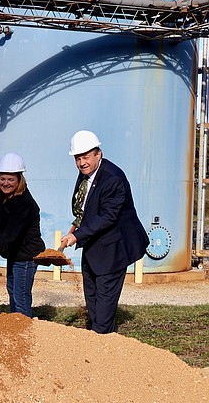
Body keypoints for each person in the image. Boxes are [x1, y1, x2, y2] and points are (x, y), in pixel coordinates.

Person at [60, 130, 148, 334]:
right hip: (93, 245)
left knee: (105, 301)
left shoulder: (112, 178)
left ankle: (103, 342)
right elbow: (86, 207)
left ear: (98, 154)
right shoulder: (86, 174)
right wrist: (75, 226)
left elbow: (107, 216)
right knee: (91, 295)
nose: (82, 163)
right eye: (78, 158)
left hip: (113, 248)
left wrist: (77, 236)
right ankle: (96, 333)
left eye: (86, 157)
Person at [0, 152, 45, 317]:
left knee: (20, 294)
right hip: (14, 254)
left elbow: (12, 232)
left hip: (26, 256)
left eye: (10, 179)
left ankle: (23, 328)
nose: (5, 183)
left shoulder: (24, 204)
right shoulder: (4, 196)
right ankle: (15, 325)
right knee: (12, 290)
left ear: (19, 180)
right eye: (2, 178)